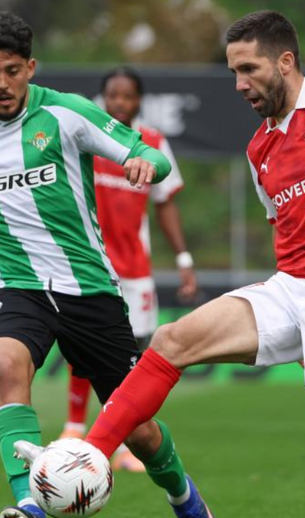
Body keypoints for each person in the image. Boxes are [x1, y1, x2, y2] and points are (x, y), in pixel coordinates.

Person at [16, 10, 305, 518]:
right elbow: (282, 228)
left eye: (249, 69)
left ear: (285, 62)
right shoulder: (259, 148)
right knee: (171, 340)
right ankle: (84, 460)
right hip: (291, 288)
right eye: (233, 72)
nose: (239, 84)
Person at [0, 12, 212, 518]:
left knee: (139, 430)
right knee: (6, 366)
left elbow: (150, 155)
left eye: (12, 70)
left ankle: (185, 499)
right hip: (15, 286)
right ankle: (30, 505)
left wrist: (144, 163)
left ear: (30, 67)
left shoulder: (68, 115)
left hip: (88, 289)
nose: (2, 84)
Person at [59, 67, 198, 473]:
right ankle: (73, 426)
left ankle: (124, 442)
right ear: (103, 99)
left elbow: (166, 203)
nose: (120, 103)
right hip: (88, 264)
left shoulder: (152, 143)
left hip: (134, 270)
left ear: (139, 100)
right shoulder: (88, 138)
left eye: (128, 96)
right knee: (81, 343)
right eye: (113, 96)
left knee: (130, 357)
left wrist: (184, 259)